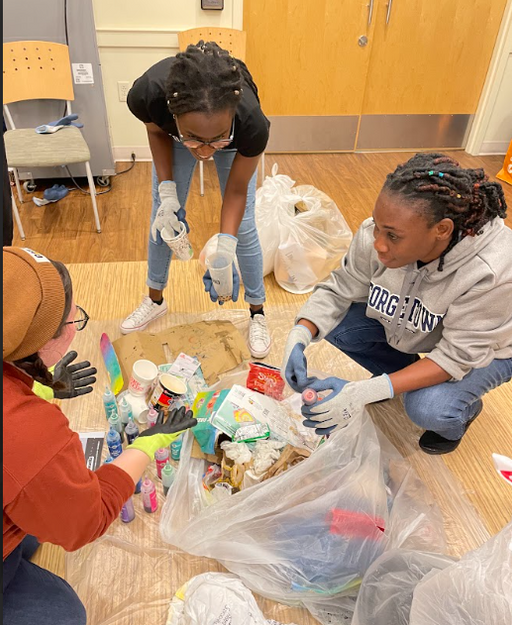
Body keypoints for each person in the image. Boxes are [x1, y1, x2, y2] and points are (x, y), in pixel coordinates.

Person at [3, 246, 197, 625]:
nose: (76, 323)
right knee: (62, 619)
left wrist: (37, 385)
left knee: (32, 530)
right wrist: (145, 444)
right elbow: (85, 522)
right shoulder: (28, 435)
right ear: (40, 340)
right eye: (75, 318)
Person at [281, 153, 512, 454]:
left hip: (490, 345)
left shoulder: (492, 271)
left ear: (441, 229)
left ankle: (461, 412)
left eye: (392, 235)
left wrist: (364, 391)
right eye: (377, 226)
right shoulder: (380, 235)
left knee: (427, 407)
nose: (377, 242)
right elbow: (340, 288)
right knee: (336, 323)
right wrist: (299, 336)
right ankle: (401, 375)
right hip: (435, 325)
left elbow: (456, 356)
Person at [122, 41, 271, 359]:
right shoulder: (147, 95)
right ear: (173, 114)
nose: (204, 152)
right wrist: (167, 192)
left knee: (242, 229)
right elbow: (156, 133)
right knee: (164, 218)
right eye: (194, 139)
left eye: (215, 139)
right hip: (180, 135)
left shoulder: (251, 124)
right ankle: (155, 300)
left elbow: (235, 191)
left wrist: (225, 247)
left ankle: (257, 311)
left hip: (231, 139)